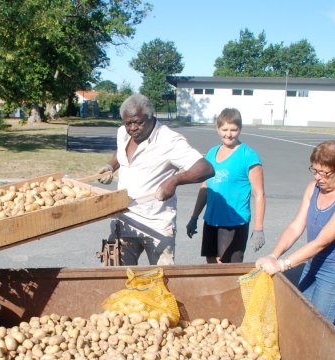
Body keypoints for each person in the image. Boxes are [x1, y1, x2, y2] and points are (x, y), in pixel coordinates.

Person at [97, 94, 214, 265]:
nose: (132, 128)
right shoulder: (123, 132)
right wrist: (110, 166)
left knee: (160, 278)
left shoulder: (169, 140)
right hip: (123, 222)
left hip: (157, 226)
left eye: (138, 122)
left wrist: (174, 181)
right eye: (128, 123)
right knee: (117, 277)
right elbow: (121, 150)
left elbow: (206, 168)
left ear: (151, 117)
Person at [255, 140, 335, 324]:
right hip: (315, 259)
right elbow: (296, 226)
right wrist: (274, 255)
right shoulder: (313, 188)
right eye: (314, 170)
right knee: (300, 312)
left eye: (324, 173)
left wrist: (283, 264)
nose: (318, 177)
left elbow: (322, 241)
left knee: (318, 323)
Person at [185, 108, 265, 263]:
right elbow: (205, 187)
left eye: (233, 130)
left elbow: (259, 194)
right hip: (211, 220)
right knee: (211, 263)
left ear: (240, 129)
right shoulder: (212, 153)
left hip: (234, 222)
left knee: (228, 268)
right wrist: (194, 217)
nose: (228, 134)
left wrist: (258, 228)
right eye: (224, 129)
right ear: (218, 129)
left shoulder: (248, 155)